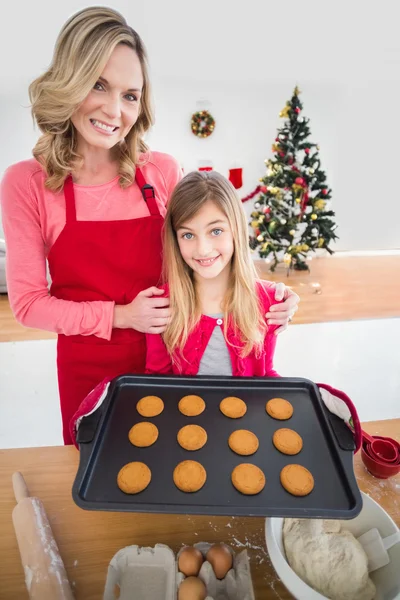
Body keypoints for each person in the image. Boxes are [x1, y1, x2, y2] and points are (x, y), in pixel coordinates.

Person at [0, 7, 299, 445]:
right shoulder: (27, 182)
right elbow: (28, 304)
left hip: (177, 356)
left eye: (130, 95)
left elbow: (201, 256)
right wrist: (122, 315)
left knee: (182, 470)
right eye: (98, 85)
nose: (114, 110)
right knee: (101, 478)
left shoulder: (160, 171)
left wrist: (268, 296)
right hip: (90, 369)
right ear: (69, 80)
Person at [145, 170, 282, 377]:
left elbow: (265, 375)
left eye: (216, 231)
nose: (203, 249)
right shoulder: (160, 305)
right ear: (175, 239)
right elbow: (156, 381)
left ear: (236, 229)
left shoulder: (269, 301)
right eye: (188, 234)